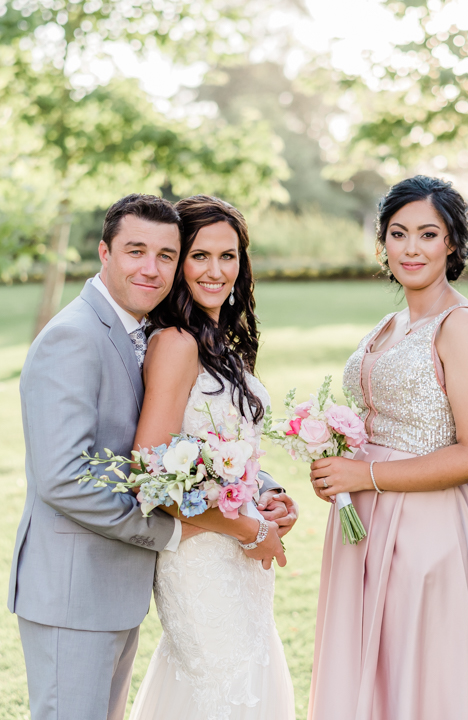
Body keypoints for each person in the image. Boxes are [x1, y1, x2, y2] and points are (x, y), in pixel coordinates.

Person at [307, 175, 468, 720]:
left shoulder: (460, 326)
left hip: (427, 532)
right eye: (398, 233)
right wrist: (335, 461)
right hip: (364, 525)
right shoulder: (389, 325)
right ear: (383, 243)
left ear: (452, 244)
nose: (411, 248)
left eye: (428, 234)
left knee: (419, 680)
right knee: (368, 681)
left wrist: (364, 477)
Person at [7, 194, 207, 720]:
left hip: (113, 591)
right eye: (135, 251)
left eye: (166, 255)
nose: (151, 268)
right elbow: (63, 479)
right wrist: (165, 531)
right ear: (104, 252)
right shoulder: (73, 337)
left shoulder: (136, 331)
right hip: (72, 593)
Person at [128, 195, 296, 720]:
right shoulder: (176, 343)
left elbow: (229, 447)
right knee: (225, 693)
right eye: (200, 256)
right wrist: (248, 528)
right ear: (179, 262)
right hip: (201, 562)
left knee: (246, 685)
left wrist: (267, 495)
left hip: (240, 557)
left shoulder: (220, 341)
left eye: (228, 256)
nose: (215, 271)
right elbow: (149, 476)